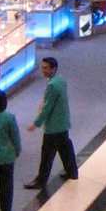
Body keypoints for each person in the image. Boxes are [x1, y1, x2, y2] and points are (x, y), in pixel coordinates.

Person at [25, 57, 77, 190]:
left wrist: (36, 123)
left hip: (53, 127)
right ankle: (72, 171)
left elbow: (47, 108)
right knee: (65, 149)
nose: (43, 70)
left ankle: (41, 181)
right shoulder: (60, 80)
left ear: (53, 68)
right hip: (63, 122)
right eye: (42, 67)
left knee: (47, 155)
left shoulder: (52, 86)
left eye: (46, 68)